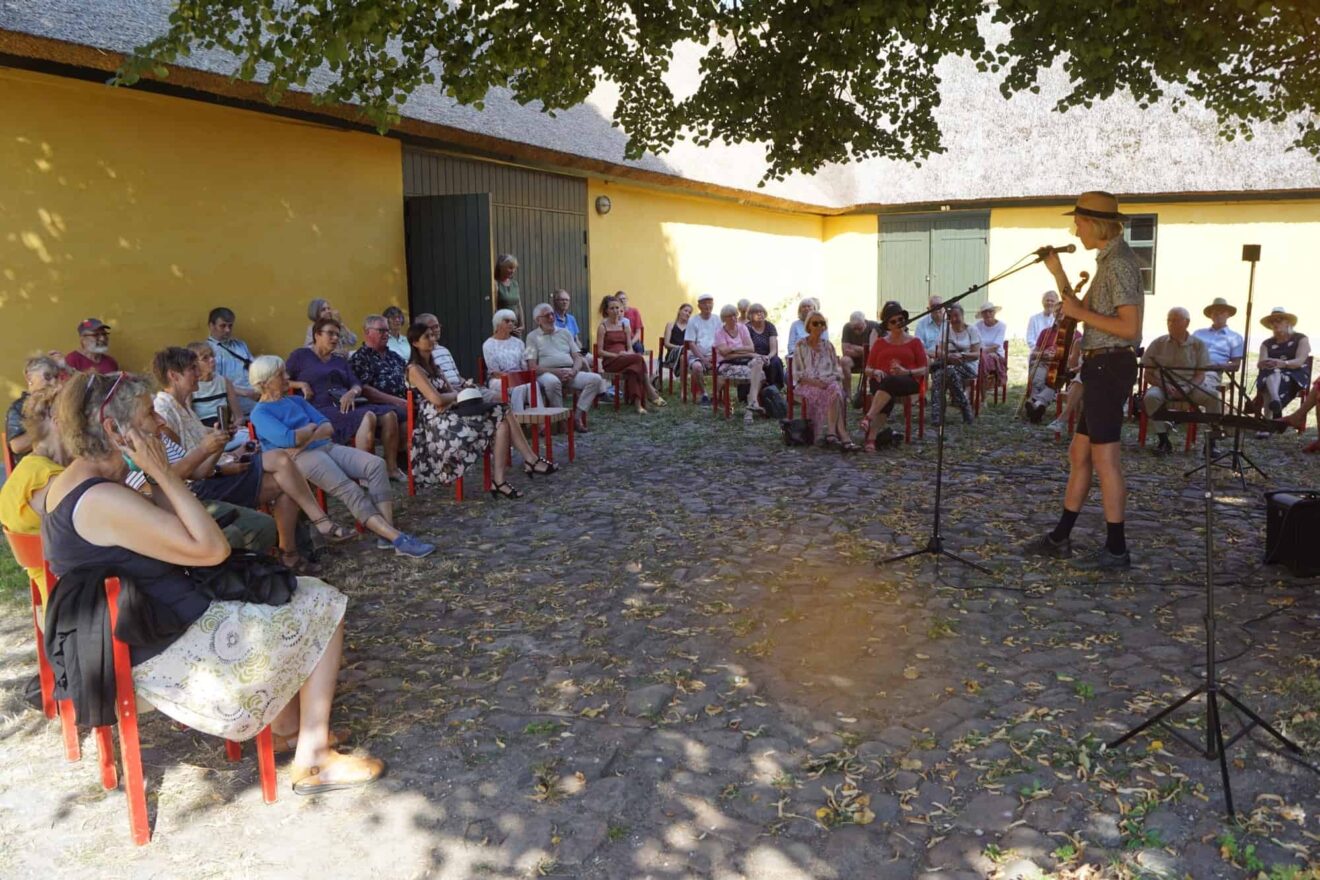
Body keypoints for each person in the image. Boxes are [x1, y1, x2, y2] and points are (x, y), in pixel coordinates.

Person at [42, 370, 385, 793]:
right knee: (321, 601)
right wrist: (165, 475)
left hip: (152, 624)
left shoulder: (81, 483)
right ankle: (313, 758)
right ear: (115, 429)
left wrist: (157, 472)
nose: (159, 423)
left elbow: (172, 525)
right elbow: (211, 550)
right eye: (149, 414)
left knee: (281, 591)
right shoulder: (101, 500)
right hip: (163, 647)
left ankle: (288, 729)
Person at [153, 346, 355, 569]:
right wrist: (220, 463)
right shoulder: (163, 411)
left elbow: (200, 457)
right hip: (202, 489)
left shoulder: (182, 407)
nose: (199, 372)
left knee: (285, 481)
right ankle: (319, 525)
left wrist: (229, 451)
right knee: (280, 461)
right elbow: (183, 471)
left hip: (214, 474)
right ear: (174, 375)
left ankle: (290, 554)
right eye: (192, 368)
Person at [1024, 191, 1144, 571]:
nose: (1074, 228)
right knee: (1080, 454)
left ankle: (1117, 549)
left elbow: (1129, 328)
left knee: (1104, 459)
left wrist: (1079, 313)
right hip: (1099, 366)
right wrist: (1058, 272)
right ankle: (1061, 537)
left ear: (1094, 224)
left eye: (1078, 221)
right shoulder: (1107, 262)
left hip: (1111, 365)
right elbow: (1079, 311)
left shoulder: (1120, 265)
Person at [249, 355, 435, 559]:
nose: (287, 376)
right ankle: (398, 539)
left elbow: (326, 427)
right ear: (264, 383)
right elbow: (287, 439)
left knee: (375, 465)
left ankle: (386, 534)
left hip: (324, 447)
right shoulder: (260, 412)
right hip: (301, 459)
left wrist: (307, 433)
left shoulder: (295, 401)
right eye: (280, 374)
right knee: (349, 489)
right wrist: (309, 431)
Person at [405, 323, 557, 496]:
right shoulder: (414, 369)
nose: (432, 339)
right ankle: (530, 460)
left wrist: (456, 394)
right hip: (435, 424)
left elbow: (450, 393)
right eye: (427, 337)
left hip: (451, 413)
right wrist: (455, 396)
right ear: (415, 343)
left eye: (433, 335)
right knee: (502, 412)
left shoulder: (435, 367)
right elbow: (437, 400)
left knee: (502, 420)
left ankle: (500, 480)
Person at [288, 318, 403, 480]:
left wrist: (352, 393)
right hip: (318, 409)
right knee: (367, 416)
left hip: (345, 403)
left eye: (337, 335)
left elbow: (356, 383)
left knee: (390, 415)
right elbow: (282, 381)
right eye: (330, 334)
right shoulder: (300, 356)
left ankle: (392, 468)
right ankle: (364, 474)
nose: (335, 338)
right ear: (317, 335)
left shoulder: (339, 361)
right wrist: (300, 384)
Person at [0, 385, 67, 614]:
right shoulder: (52, 480)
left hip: (53, 597)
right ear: (58, 422)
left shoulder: (25, 473)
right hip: (75, 609)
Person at [1141, 307, 1221, 454]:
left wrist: (1186, 389)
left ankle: (1212, 442)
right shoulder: (1158, 343)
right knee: (1150, 397)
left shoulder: (1198, 345)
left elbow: (1200, 375)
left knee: (1213, 397)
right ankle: (1163, 440)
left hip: (1190, 387)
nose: (1171, 324)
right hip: (1164, 386)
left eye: (1176, 320)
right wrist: (1162, 385)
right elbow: (1148, 374)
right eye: (1169, 320)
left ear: (1187, 323)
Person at [859, 301, 927, 451]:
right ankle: (871, 438)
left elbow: (924, 369)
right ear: (887, 325)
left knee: (888, 385)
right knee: (887, 388)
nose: (898, 323)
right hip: (881, 380)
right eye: (893, 321)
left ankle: (868, 419)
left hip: (908, 381)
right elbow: (868, 369)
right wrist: (875, 371)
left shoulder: (915, 342)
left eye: (901, 320)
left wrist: (906, 371)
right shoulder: (880, 343)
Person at [525, 303, 603, 431]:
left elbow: (578, 357)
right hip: (546, 374)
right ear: (537, 320)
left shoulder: (565, 333)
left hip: (569, 371)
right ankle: (561, 419)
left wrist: (574, 371)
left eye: (552, 314)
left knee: (596, 379)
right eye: (546, 315)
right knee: (552, 382)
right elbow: (532, 366)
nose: (551, 318)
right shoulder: (532, 337)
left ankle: (577, 417)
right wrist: (555, 372)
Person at [793, 312, 859, 452]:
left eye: (822, 323)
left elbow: (837, 370)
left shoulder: (828, 346)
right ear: (808, 326)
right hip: (808, 384)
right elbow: (797, 374)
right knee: (835, 392)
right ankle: (841, 434)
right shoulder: (801, 345)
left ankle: (832, 433)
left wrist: (830, 379)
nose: (819, 326)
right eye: (815, 323)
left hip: (828, 383)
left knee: (834, 388)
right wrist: (817, 383)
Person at [598, 296, 666, 414]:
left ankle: (638, 405)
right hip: (611, 361)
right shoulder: (602, 327)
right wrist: (616, 356)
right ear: (606, 311)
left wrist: (626, 354)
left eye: (617, 308)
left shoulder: (625, 326)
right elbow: (599, 351)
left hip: (626, 359)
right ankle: (649, 390)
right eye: (612, 308)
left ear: (621, 309)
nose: (615, 311)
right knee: (638, 359)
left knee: (634, 370)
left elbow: (630, 348)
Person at [1250, 307, 1310, 420]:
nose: (1275, 323)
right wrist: (1267, 363)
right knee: (1270, 374)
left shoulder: (1301, 339)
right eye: (1273, 321)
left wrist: (1283, 363)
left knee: (1269, 381)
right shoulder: (1266, 344)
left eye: (1279, 320)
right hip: (1271, 374)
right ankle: (1275, 401)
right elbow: (1260, 363)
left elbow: (1299, 361)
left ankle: (1268, 421)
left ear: (1288, 322)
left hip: (1295, 375)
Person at [349, 314, 410, 421]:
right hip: (380, 406)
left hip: (405, 401)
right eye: (381, 331)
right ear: (367, 332)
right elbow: (365, 389)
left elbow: (409, 376)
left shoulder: (394, 356)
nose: (386, 334)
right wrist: (397, 401)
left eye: (387, 331)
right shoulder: (360, 358)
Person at [929, 303, 980, 425]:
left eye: (957, 316)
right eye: (951, 316)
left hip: (969, 365)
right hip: (950, 364)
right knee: (944, 373)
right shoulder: (946, 330)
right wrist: (949, 356)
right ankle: (965, 410)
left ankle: (937, 414)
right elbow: (939, 350)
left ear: (963, 315)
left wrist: (962, 355)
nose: (954, 319)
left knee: (943, 373)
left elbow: (977, 354)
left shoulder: (971, 330)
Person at [712, 304, 766, 416]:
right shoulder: (719, 333)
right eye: (729, 316)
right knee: (758, 373)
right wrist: (747, 352)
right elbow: (725, 354)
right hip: (727, 364)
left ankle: (752, 402)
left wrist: (734, 350)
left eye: (734, 315)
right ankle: (751, 407)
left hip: (744, 361)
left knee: (759, 363)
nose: (733, 318)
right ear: (724, 318)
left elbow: (751, 347)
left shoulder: (742, 327)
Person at [6, 355, 61, 461]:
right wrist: (47, 427)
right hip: (35, 466)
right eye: (47, 377)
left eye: (56, 377)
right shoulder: (18, 407)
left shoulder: (59, 402)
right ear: (29, 378)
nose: (54, 382)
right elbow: (17, 447)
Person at [206, 307, 260, 415]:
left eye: (230, 326)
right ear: (211, 326)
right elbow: (215, 383)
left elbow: (254, 369)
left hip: (256, 401)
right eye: (223, 326)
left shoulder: (240, 345)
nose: (227, 330)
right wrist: (245, 392)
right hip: (233, 407)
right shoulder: (206, 351)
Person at [483, 309, 538, 409]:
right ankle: (518, 419)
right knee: (519, 387)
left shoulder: (519, 343)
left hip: (519, 377)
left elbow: (524, 366)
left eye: (513, 321)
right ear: (498, 323)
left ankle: (539, 419)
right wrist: (514, 378)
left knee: (534, 385)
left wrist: (522, 377)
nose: (511, 323)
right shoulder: (488, 344)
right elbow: (494, 372)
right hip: (499, 379)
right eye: (507, 321)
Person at [1192, 297, 1245, 387]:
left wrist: (1215, 366)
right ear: (1210, 315)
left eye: (1222, 311)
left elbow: (1236, 365)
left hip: (1211, 373)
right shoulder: (1198, 333)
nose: (1218, 314)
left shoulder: (1235, 337)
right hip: (1188, 369)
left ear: (1228, 315)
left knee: (1200, 388)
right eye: (1214, 312)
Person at [684, 294, 722, 405]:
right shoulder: (693, 321)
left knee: (725, 367)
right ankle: (704, 394)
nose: (708, 305)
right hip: (697, 355)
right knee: (696, 367)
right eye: (704, 303)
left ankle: (716, 394)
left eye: (710, 302)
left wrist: (714, 356)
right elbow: (691, 343)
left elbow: (721, 341)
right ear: (699, 306)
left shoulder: (717, 319)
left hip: (715, 355)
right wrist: (703, 359)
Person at [840, 311, 877, 405]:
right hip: (854, 359)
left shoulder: (874, 326)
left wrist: (854, 347)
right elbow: (845, 351)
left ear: (864, 322)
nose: (857, 331)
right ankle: (847, 395)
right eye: (854, 329)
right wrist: (865, 350)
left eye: (859, 328)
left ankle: (868, 394)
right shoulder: (847, 327)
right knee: (844, 361)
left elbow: (874, 351)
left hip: (871, 360)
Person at [746, 303, 784, 389]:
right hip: (753, 356)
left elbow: (774, 349)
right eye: (756, 312)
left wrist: (768, 357)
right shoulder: (747, 328)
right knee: (757, 362)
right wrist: (759, 356)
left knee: (776, 361)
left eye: (761, 312)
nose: (760, 314)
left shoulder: (770, 326)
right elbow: (747, 350)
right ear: (750, 315)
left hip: (768, 355)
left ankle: (773, 388)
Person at [974, 302, 1008, 390]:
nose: (988, 314)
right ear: (982, 314)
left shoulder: (1001, 326)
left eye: (990, 311)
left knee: (982, 361)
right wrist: (980, 352)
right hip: (979, 354)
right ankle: (969, 389)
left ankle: (981, 393)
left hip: (996, 355)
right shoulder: (977, 325)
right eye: (985, 312)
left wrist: (981, 352)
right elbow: (975, 342)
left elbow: (995, 346)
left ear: (994, 312)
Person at [659, 303, 693, 386]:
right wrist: (680, 348)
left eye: (689, 312)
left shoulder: (690, 327)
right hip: (673, 353)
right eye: (685, 311)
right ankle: (683, 384)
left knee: (684, 356)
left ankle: (684, 384)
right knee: (683, 354)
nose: (687, 314)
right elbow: (666, 344)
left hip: (686, 354)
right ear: (679, 311)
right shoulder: (670, 325)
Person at [494, 254, 523, 334]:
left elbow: (519, 305)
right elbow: (495, 309)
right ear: (501, 267)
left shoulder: (515, 284)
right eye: (510, 268)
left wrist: (522, 324)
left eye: (514, 268)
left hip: (516, 327)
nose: (513, 271)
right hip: (502, 328)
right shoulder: (496, 284)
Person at [1026, 291, 1060, 355]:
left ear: (1057, 304)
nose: (1049, 303)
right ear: (1043, 302)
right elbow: (1030, 339)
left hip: (1054, 356)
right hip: (1036, 355)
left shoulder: (1059, 319)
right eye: (1047, 300)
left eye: (1052, 301)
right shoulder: (1034, 319)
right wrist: (1041, 352)